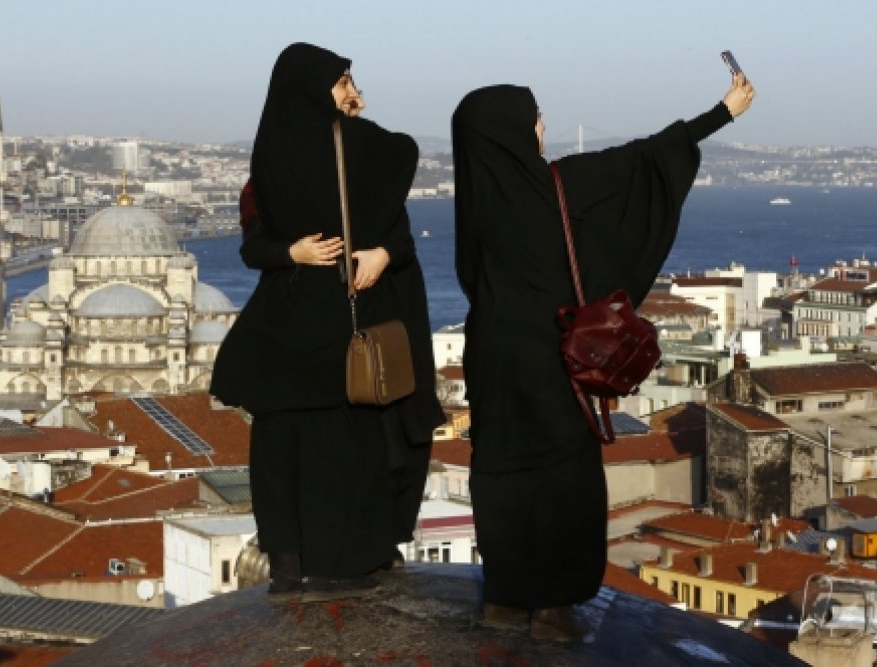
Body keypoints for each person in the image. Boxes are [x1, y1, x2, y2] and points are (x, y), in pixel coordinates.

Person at [451, 72, 754, 639]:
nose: (543, 126)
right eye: (535, 117)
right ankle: (554, 609)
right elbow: (647, 160)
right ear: (518, 129)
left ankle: (504, 599)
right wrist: (723, 111)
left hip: (492, 355)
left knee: (501, 473)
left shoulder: (474, 205)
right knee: (563, 474)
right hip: (552, 354)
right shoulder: (562, 184)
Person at [211, 43, 444, 601]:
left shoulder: (266, 158)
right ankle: (352, 557)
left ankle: (288, 568)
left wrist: (292, 253)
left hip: (285, 326)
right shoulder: (360, 150)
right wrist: (352, 117)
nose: (351, 91)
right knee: (347, 446)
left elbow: (255, 249)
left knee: (281, 451)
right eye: (343, 81)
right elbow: (405, 152)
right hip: (340, 323)